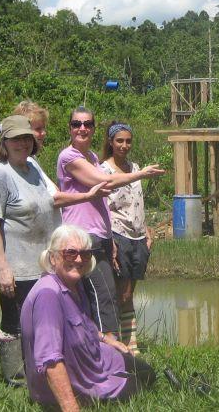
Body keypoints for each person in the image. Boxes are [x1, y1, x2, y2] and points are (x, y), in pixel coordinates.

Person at [0, 115, 109, 385]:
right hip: (17, 264)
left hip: (43, 263)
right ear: (4, 142)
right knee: (15, 322)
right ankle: (16, 380)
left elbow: (54, 199)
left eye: (26, 138)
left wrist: (87, 196)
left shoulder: (32, 167)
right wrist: (3, 268)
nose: (22, 143)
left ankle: (44, 373)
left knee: (43, 321)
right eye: (15, 139)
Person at [21, 224, 156, 409]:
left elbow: (84, 323)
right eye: (70, 253)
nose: (79, 259)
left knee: (147, 373)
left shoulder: (74, 284)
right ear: (53, 258)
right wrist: (71, 407)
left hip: (94, 361)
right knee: (137, 387)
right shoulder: (48, 295)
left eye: (85, 254)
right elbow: (50, 361)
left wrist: (107, 340)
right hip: (79, 381)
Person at [56, 106, 164, 337]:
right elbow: (103, 182)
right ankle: (111, 350)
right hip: (83, 236)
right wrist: (142, 174)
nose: (82, 128)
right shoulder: (70, 157)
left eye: (87, 124)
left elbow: (103, 203)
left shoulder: (92, 157)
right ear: (70, 128)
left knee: (104, 297)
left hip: (103, 236)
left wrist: (110, 236)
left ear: (94, 129)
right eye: (77, 124)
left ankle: (111, 348)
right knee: (104, 295)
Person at [99, 121, 153, 355]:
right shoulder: (103, 170)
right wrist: (109, 238)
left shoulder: (135, 167)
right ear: (110, 142)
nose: (124, 145)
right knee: (121, 293)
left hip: (138, 236)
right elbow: (102, 207)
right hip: (118, 234)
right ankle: (115, 344)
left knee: (131, 292)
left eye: (128, 141)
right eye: (119, 140)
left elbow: (138, 201)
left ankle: (132, 346)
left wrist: (147, 230)